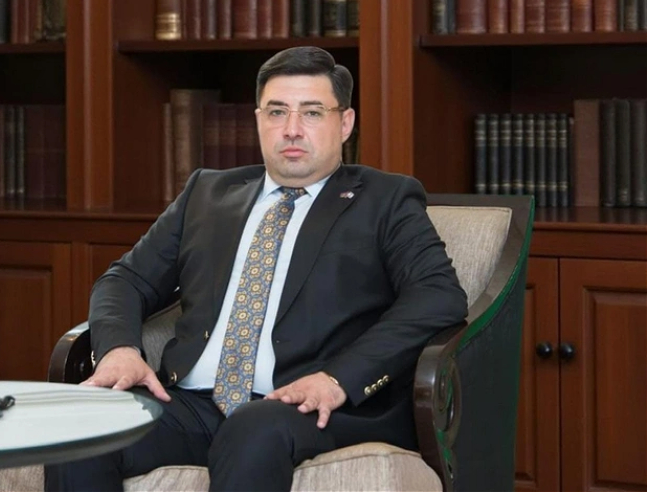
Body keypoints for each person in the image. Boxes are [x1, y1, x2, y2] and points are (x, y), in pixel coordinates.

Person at [44, 46, 468, 492]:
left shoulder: (385, 199)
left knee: (253, 427)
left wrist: (338, 379)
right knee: (83, 423)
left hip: (307, 407)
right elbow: (126, 280)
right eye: (277, 111)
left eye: (312, 113)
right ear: (258, 119)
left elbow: (437, 296)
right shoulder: (207, 193)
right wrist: (119, 350)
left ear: (345, 123)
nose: (292, 129)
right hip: (191, 404)